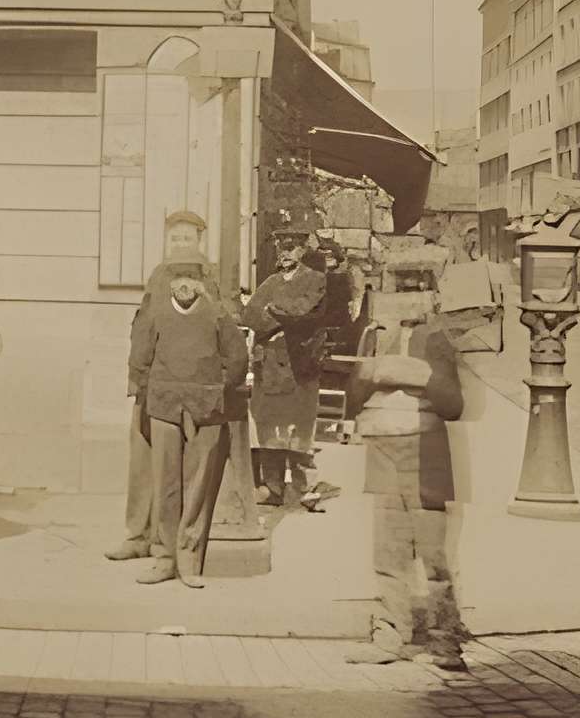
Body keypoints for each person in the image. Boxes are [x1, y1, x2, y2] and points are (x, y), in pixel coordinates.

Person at [346, 239, 468, 672]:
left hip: (425, 452)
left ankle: (445, 641)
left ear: (432, 290)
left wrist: (420, 376)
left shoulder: (439, 338)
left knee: (432, 554)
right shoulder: (373, 335)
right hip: (383, 450)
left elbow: (454, 405)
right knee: (388, 551)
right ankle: (390, 634)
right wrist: (370, 373)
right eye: (400, 283)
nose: (408, 292)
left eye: (417, 282)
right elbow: (352, 398)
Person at [106, 209, 219, 562]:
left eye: (187, 238)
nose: (180, 244)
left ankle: (168, 543)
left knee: (174, 468)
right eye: (174, 238)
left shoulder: (206, 276)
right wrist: (136, 375)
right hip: (149, 380)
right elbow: (143, 325)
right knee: (141, 459)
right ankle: (137, 534)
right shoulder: (158, 275)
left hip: (184, 388)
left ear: (199, 241)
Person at [127, 264, 249, 588]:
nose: (185, 285)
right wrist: (147, 393)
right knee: (165, 485)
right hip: (164, 407)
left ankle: (189, 561)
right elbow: (139, 358)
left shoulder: (218, 315)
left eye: (192, 277)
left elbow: (238, 359)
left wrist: (217, 389)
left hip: (206, 411)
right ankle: (164, 560)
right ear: (170, 283)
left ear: (202, 282)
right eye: (179, 277)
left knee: (197, 490)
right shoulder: (156, 314)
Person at [242, 226, 332, 507]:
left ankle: (306, 489)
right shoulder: (270, 282)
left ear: (303, 250)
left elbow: (302, 312)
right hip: (268, 368)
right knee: (269, 429)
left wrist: (273, 310)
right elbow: (250, 315)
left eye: (292, 246)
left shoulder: (316, 280)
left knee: (300, 430)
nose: (286, 251)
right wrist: (276, 317)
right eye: (281, 245)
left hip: (299, 366)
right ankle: (273, 488)